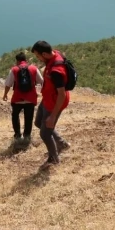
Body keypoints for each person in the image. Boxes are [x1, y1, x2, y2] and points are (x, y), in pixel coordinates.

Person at [31, 41, 71, 170]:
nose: (38, 59)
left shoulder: (56, 71)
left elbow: (62, 94)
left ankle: (54, 159)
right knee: (38, 123)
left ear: (44, 54)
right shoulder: (54, 55)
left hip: (54, 103)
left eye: (38, 56)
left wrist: (53, 116)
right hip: (47, 98)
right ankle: (61, 143)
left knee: (45, 134)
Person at [3, 52, 44, 142]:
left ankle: (17, 134)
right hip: (30, 98)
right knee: (29, 117)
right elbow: (41, 81)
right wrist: (41, 92)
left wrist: (5, 94)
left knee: (15, 116)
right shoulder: (34, 68)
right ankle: (27, 136)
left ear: (17, 61)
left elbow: (8, 84)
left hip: (17, 98)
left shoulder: (14, 70)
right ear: (26, 60)